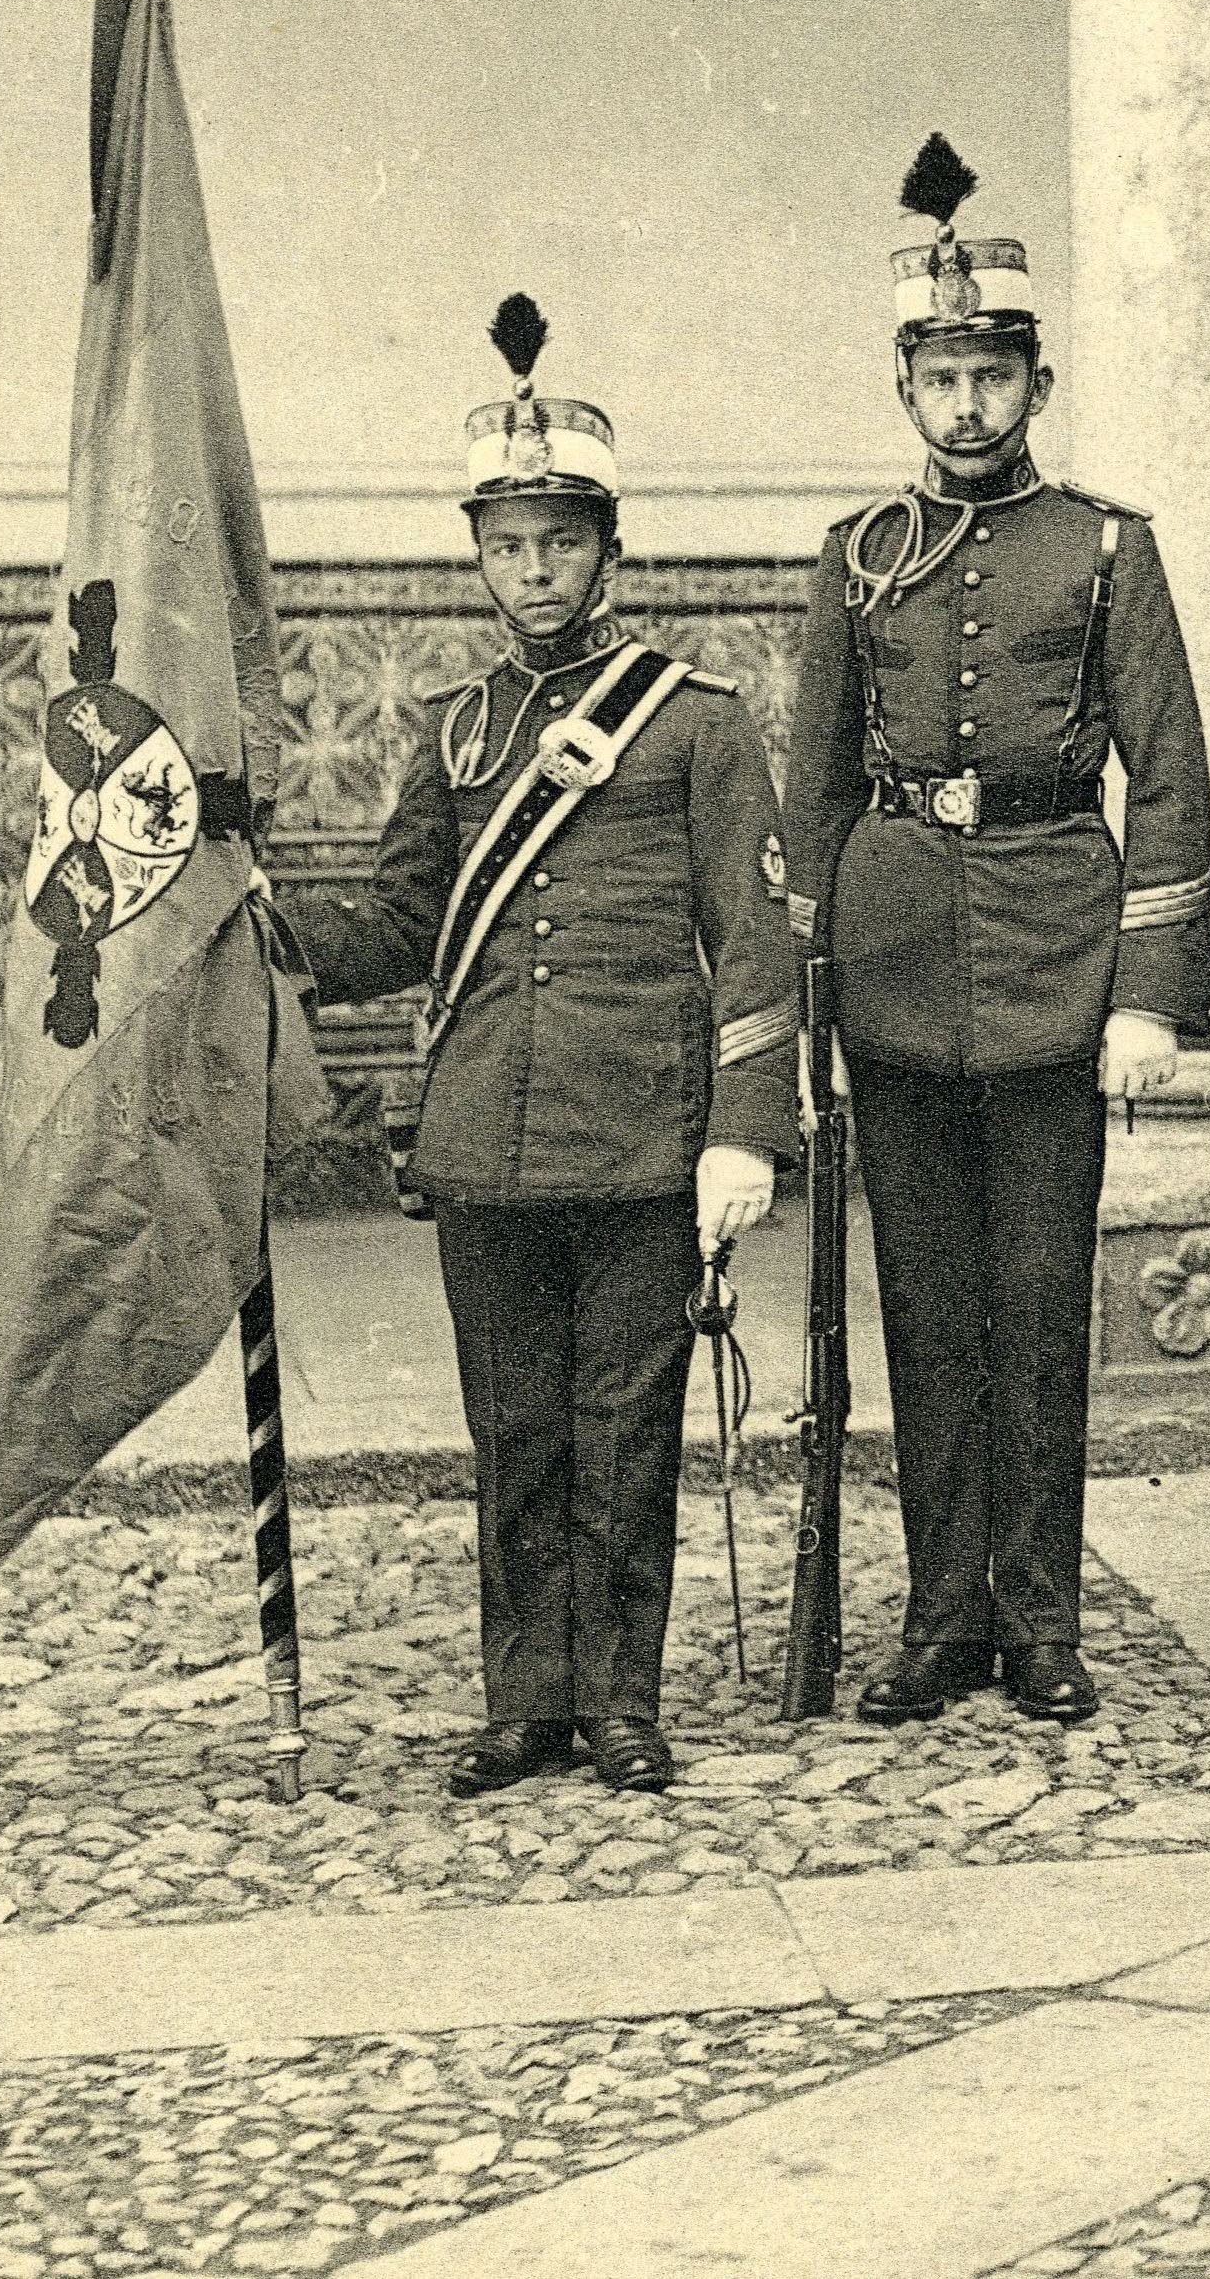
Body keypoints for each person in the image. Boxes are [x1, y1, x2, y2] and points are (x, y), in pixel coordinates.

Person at [283, 300, 797, 1798]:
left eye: (560, 541)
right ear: (480, 553)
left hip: (642, 1127)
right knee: (512, 1429)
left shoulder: (694, 724)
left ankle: (622, 1700)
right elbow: (397, 920)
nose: (535, 569)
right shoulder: (456, 734)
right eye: (508, 543)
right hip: (489, 1135)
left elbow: (755, 936)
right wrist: (265, 930)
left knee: (623, 1428)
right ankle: (526, 1699)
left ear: (608, 549)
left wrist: (742, 1130)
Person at [778, 135, 1210, 1732]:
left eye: (993, 373)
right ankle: (941, 1609)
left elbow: (1169, 772)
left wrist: (1153, 990)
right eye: (941, 375)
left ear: (1040, 380)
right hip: (894, 968)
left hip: (1053, 950)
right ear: (906, 385)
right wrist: (806, 1009)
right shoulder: (855, 558)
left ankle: (1041, 1615)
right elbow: (815, 787)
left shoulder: (1108, 546)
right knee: (927, 1307)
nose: (967, 403)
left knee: (1039, 1307)